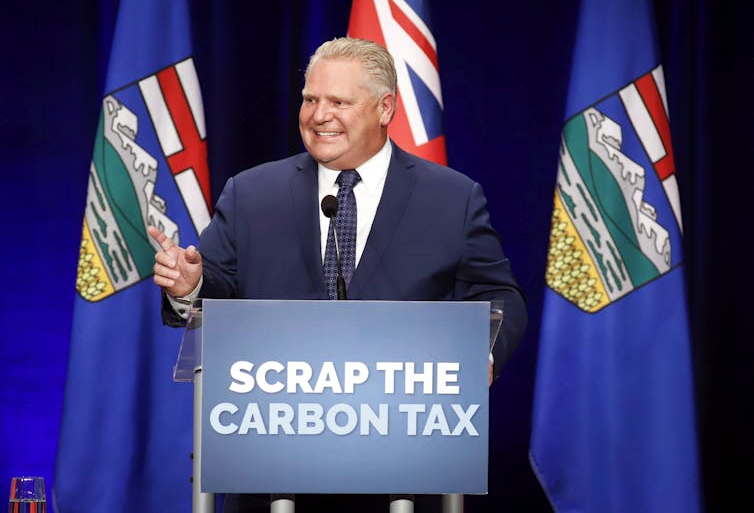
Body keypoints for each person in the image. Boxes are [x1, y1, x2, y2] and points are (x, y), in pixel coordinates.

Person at [148, 37, 526, 513]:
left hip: (406, 471)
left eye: (338, 102)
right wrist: (192, 287)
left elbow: (498, 295)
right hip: (270, 470)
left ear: (385, 108)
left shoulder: (451, 199)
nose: (318, 115)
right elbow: (218, 286)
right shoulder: (251, 193)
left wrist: (479, 353)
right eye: (310, 99)